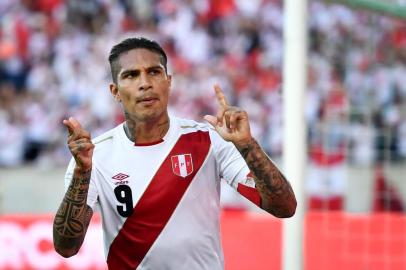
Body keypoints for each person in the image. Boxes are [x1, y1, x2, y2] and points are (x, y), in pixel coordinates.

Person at [52, 37, 296, 269]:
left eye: (154, 72)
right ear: (115, 91)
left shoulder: (209, 139)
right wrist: (83, 172)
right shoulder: (95, 156)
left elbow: (284, 207)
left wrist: (247, 145)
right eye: (131, 75)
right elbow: (66, 248)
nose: (145, 82)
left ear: (168, 81)